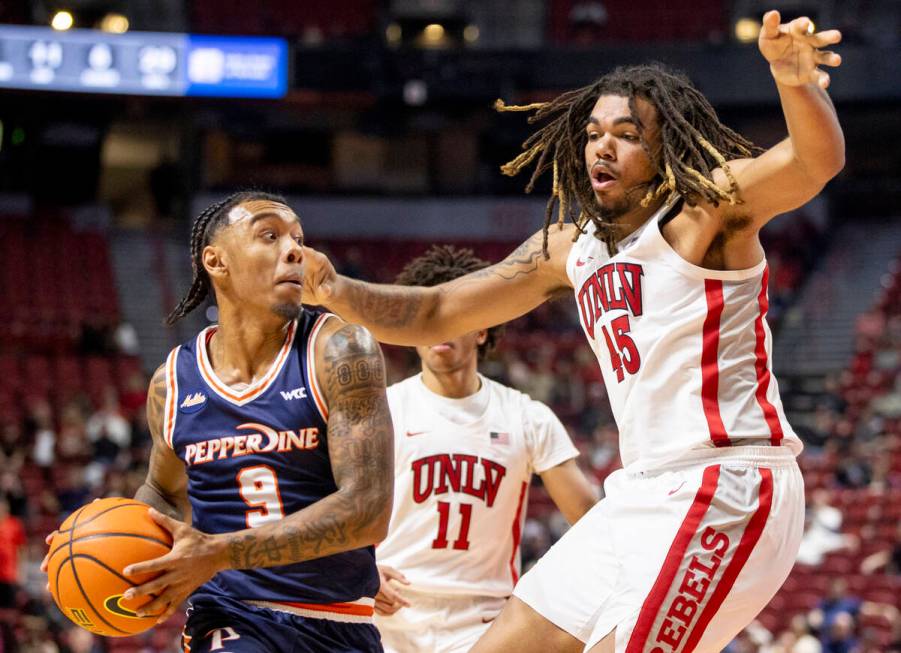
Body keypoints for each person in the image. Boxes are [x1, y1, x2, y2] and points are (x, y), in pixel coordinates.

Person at [301, 10, 845, 652]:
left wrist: (793, 81)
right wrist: (336, 290)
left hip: (726, 483)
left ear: (666, 147)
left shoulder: (707, 211)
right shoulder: (567, 248)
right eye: (592, 134)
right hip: (638, 492)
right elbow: (437, 310)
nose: (602, 148)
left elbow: (814, 162)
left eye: (626, 134)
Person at [44, 191, 395, 652]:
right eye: (269, 235)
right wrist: (100, 544)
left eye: (298, 238)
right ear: (216, 261)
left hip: (340, 621)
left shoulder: (340, 350)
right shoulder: (173, 383)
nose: (296, 250)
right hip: (231, 616)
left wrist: (219, 552)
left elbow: (367, 511)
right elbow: (163, 493)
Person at [373, 245, 598, 652]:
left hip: (487, 626)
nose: (439, 329)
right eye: (427, 318)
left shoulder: (527, 417)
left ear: (482, 327)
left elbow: (591, 520)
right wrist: (359, 570)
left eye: (452, 316)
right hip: (389, 616)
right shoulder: (383, 410)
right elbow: (333, 502)